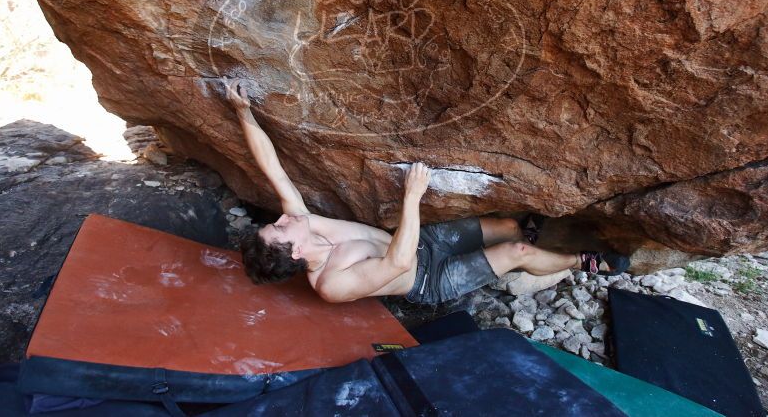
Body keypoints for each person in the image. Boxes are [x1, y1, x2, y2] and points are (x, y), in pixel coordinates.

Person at [227, 79, 629, 305]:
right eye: (278, 229)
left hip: (422, 243)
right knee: (515, 254)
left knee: (509, 227)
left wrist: (244, 113)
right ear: (294, 252)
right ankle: (584, 264)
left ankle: (526, 243)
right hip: (428, 278)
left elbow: (274, 171)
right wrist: (412, 197)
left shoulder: (304, 223)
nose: (282, 218)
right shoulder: (332, 284)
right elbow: (399, 264)